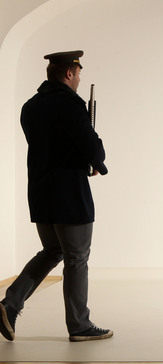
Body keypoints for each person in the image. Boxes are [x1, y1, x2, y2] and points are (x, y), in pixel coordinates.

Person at [0, 50, 112, 342]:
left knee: (52, 251)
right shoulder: (71, 104)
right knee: (76, 258)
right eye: (77, 75)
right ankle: (79, 326)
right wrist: (97, 161)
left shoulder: (30, 106)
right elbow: (88, 142)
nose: (78, 81)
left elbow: (51, 144)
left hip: (40, 192)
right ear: (69, 74)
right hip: (68, 193)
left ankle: (9, 304)